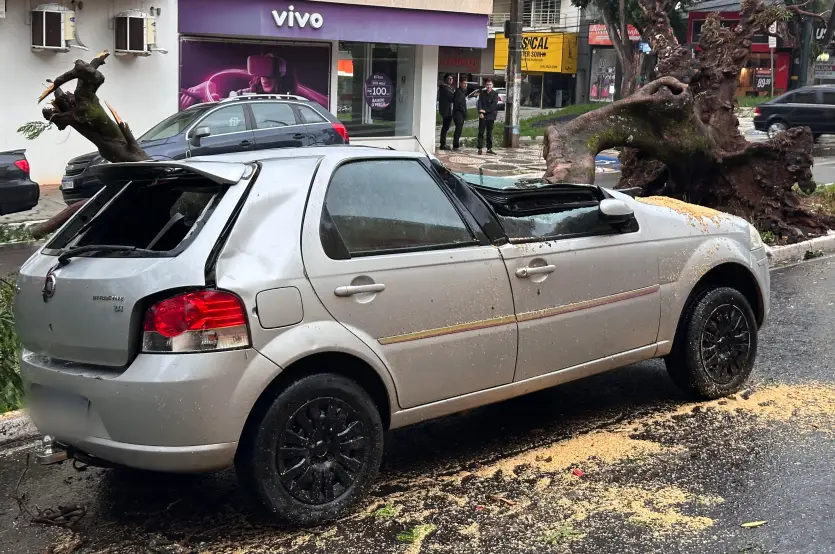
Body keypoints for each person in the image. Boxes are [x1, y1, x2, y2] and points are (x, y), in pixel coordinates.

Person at [477, 79, 500, 155]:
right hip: (482, 115)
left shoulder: (495, 94)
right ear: (485, 85)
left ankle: (489, 149)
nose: (488, 86)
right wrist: (480, 112)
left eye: (490, 84)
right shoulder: (482, 93)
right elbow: (479, 103)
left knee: (489, 133)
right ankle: (480, 148)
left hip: (490, 116)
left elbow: (493, 106)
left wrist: (485, 111)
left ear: (492, 85)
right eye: (487, 84)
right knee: (481, 132)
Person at [437, 74, 455, 150]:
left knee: (446, 127)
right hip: (445, 110)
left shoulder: (448, 88)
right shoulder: (444, 88)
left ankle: (443, 143)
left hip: (448, 110)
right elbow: (452, 98)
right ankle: (442, 144)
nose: (451, 80)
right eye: (449, 78)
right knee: (445, 127)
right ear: (445, 80)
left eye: (452, 78)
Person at [452, 78, 468, 150]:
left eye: (466, 83)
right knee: (458, 130)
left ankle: (456, 144)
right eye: (464, 83)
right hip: (458, 114)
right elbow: (459, 104)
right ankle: (455, 145)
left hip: (460, 114)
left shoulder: (462, 92)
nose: (465, 85)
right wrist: (464, 112)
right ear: (460, 84)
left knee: (459, 129)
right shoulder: (458, 92)